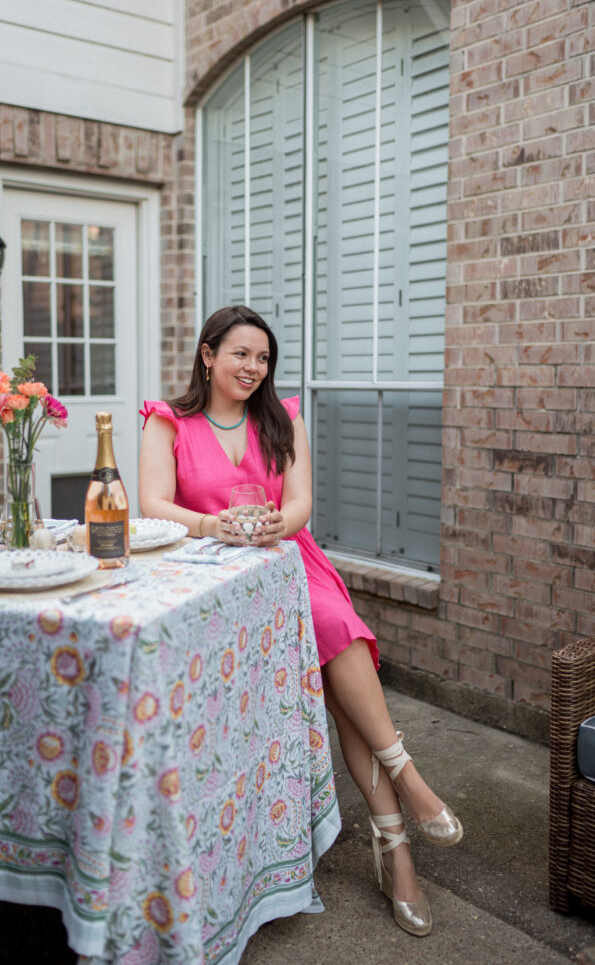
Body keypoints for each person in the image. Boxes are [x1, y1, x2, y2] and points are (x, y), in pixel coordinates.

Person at [138, 304, 462, 938]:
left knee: (334, 627)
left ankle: (397, 826)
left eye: (263, 358)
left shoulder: (284, 417)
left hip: (288, 564)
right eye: (240, 354)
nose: (254, 368)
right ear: (208, 355)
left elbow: (300, 504)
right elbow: (152, 503)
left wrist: (267, 531)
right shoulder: (167, 422)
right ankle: (401, 813)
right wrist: (214, 526)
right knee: (342, 698)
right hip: (209, 573)